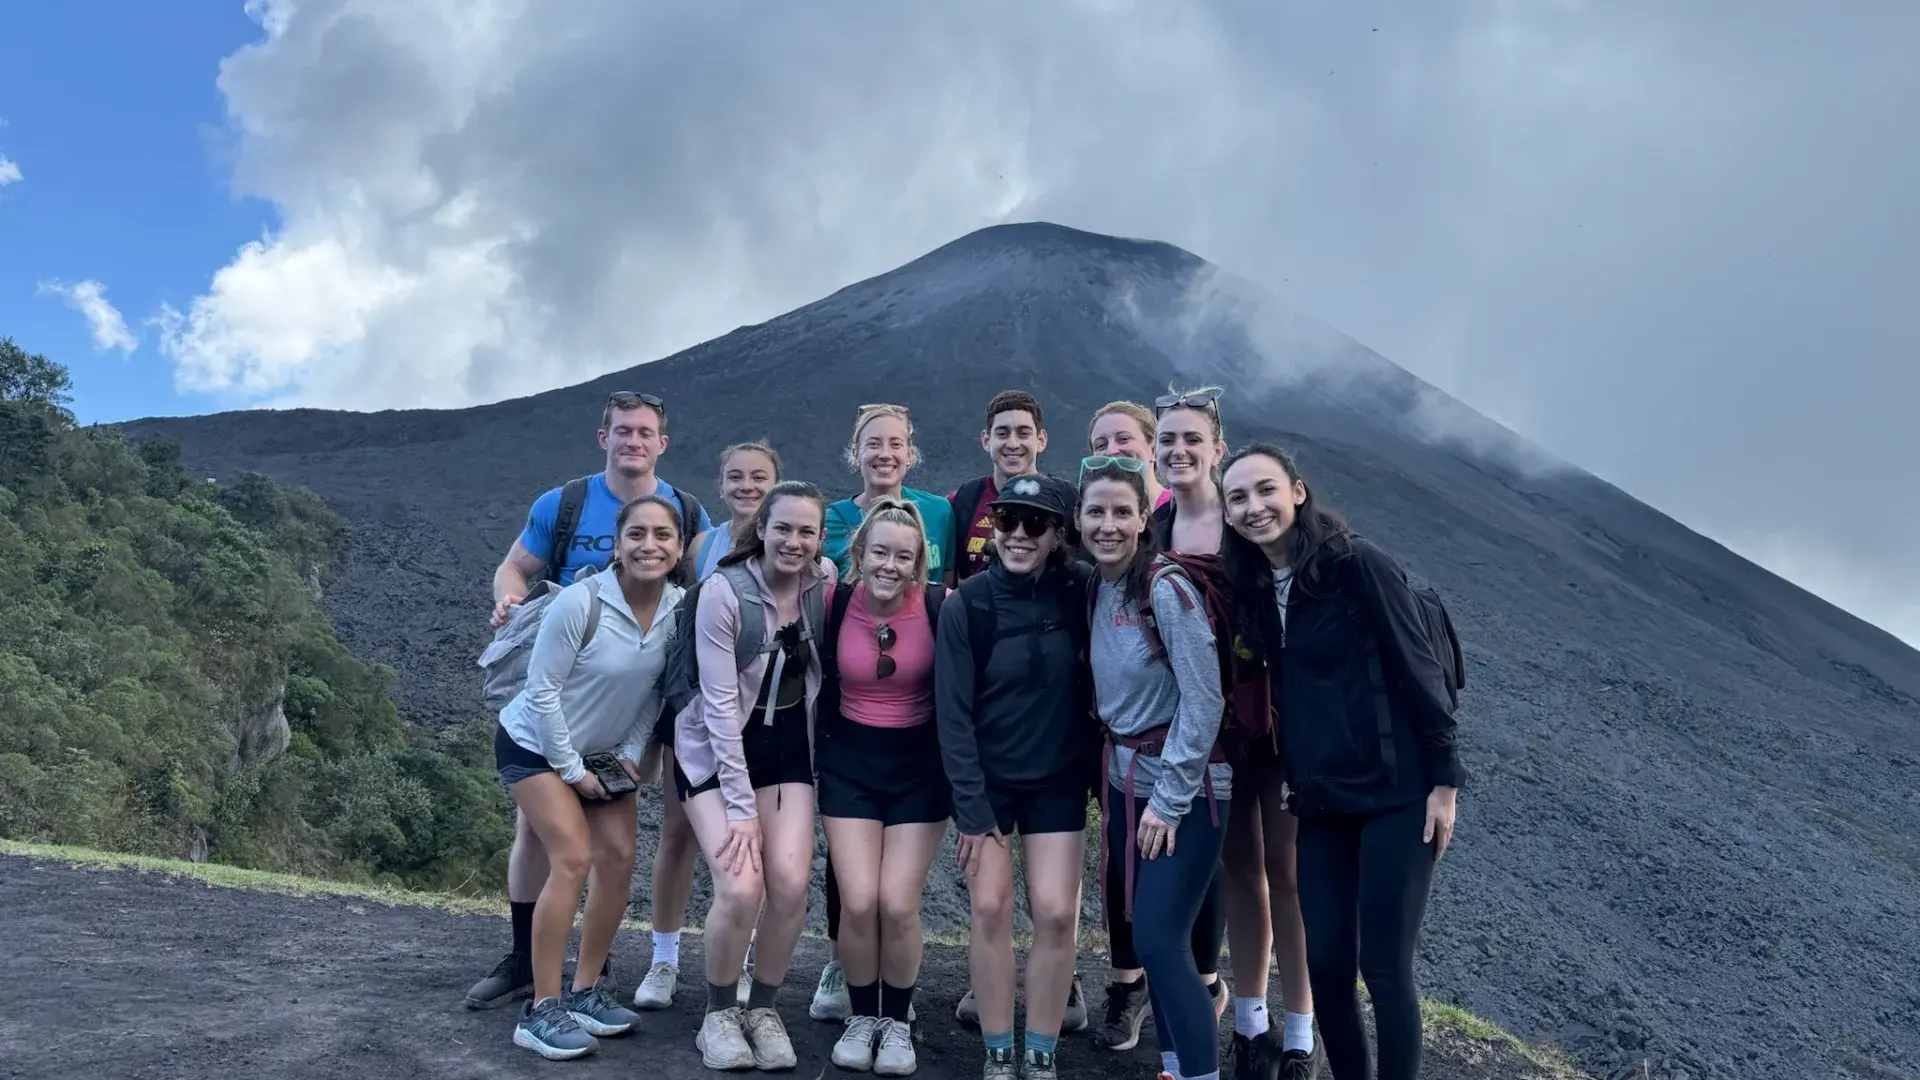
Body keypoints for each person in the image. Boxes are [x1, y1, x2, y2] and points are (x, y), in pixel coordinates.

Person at [1221, 444, 1466, 1080]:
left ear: (1297, 492)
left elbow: (1419, 670)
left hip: (1397, 793)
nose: (1255, 508)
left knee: (1384, 967)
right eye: (1238, 498)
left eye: (1266, 490)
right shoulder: (1252, 587)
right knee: (1327, 966)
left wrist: (1445, 781)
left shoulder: (1356, 565)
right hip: (1322, 801)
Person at [470, 390, 713, 1011]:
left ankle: (587, 981)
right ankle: (528, 965)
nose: (633, 441)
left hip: (625, 705)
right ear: (603, 437)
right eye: (622, 431)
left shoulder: (688, 511)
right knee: (548, 838)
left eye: (645, 433)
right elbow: (515, 568)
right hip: (556, 705)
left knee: (615, 854)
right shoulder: (565, 505)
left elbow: (710, 587)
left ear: (663, 442)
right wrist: (510, 602)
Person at [1153, 387, 1318, 1080]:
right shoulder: (1158, 530)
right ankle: (1250, 1025)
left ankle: (1301, 1036)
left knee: (1287, 871)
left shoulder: (1242, 519)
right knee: (1241, 869)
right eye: (1167, 441)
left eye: (1193, 439)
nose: (1179, 451)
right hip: (1206, 730)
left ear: (1218, 450)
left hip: (1272, 720)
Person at [495, 494, 689, 1059]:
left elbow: (656, 693)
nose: (648, 546)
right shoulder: (583, 602)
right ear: (618, 544)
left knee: (619, 859)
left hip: (605, 752)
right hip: (534, 746)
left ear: (678, 548)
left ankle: (585, 991)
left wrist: (629, 753)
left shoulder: (679, 608)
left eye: (662, 536)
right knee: (573, 859)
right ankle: (542, 1009)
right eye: (636, 535)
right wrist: (575, 771)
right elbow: (542, 692)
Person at [1079, 456, 1233, 1080]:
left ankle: (1198, 1072)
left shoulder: (1166, 589)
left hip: (1186, 792)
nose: (1108, 524)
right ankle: (1176, 1067)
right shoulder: (1098, 584)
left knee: (1161, 942)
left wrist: (1169, 802)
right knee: (1157, 938)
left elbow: (1206, 699)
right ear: (1079, 520)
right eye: (1096, 511)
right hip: (1125, 782)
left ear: (1147, 518)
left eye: (1123, 511)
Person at [675, 481, 836, 1073]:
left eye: (807, 531)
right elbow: (719, 708)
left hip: (790, 751)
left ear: (820, 539)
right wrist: (741, 808)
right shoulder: (725, 592)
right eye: (784, 528)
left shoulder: (825, 584)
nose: (794, 541)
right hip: (716, 756)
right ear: (761, 528)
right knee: (742, 886)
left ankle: (761, 1008)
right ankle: (718, 1012)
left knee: (790, 885)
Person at [936, 474, 1093, 1080]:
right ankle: (999, 1051)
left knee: (1056, 913)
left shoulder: (1080, 590)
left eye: (1035, 523)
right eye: (1007, 521)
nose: (1019, 534)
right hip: (989, 783)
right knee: (991, 909)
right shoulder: (967, 604)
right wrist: (971, 810)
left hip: (1056, 779)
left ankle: (1042, 1052)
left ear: (1058, 534)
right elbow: (953, 716)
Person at [811, 404, 956, 1020]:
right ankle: (861, 1014)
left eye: (903, 555)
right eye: (879, 553)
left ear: (920, 558)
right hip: (849, 763)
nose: (889, 564)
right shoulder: (831, 600)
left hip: (920, 767)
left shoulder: (946, 607)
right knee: (858, 900)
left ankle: (896, 1020)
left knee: (898, 904)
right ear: (858, 552)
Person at [636, 440, 781, 1013]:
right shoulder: (700, 545)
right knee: (677, 835)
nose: (747, 486)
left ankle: (738, 958)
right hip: (696, 713)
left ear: (776, 485)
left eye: (759, 477)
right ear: (719, 486)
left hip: (761, 719)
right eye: (736, 477)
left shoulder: (789, 544)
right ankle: (663, 958)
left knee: (754, 846)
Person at [946, 390, 1049, 586]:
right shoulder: (961, 501)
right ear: (986, 440)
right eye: (1002, 433)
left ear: (1041, 440)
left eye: (1023, 433)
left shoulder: (1061, 502)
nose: (1012, 443)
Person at [1087, 400, 1168, 510]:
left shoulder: (1181, 509)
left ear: (1154, 450)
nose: (1111, 451)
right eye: (1101, 445)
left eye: (1124, 439)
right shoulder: (1086, 517)